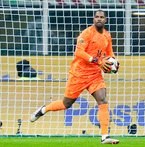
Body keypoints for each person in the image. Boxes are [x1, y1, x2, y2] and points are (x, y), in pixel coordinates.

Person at [30, 10, 120, 144]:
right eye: (97, 17)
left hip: (95, 74)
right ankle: (44, 109)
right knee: (66, 104)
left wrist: (114, 63)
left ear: (105, 20)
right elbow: (78, 52)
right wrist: (99, 61)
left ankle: (105, 136)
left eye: (102, 17)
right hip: (79, 74)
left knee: (102, 100)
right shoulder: (87, 33)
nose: (99, 19)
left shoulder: (107, 36)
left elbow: (109, 52)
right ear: (93, 19)